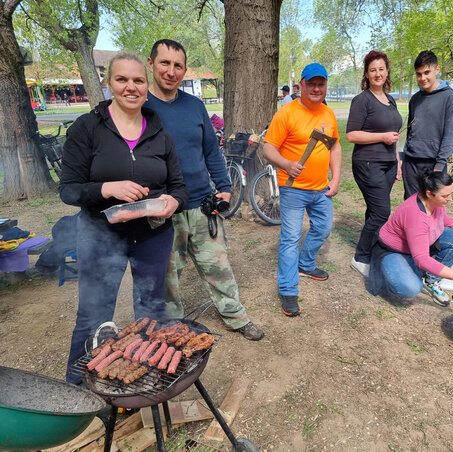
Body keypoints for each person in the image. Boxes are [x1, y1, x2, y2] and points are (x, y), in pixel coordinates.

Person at [60, 51, 189, 384]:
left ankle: (143, 380)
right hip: (101, 236)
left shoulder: (159, 132)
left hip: (153, 235)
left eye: (138, 80)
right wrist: (107, 189)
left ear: (147, 86)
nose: (131, 87)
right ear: (109, 83)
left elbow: (179, 187)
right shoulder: (87, 128)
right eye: (122, 79)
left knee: (149, 315)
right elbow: (69, 190)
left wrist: (173, 202)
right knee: (92, 317)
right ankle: (77, 391)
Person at [145, 39, 264, 340]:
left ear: (184, 70)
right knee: (168, 277)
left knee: (218, 266)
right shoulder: (141, 108)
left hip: (202, 204)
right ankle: (171, 327)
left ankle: (235, 316)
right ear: (151, 64)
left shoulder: (195, 106)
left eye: (178, 66)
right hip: (162, 210)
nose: (171, 71)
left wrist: (224, 186)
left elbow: (211, 150)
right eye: (165, 63)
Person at [263, 63, 342, 317]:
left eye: (321, 83)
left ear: (326, 86)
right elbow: (268, 148)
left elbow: (335, 147)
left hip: (321, 189)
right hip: (293, 189)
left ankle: (306, 264)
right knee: (290, 238)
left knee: (323, 228)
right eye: (311, 83)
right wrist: (286, 164)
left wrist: (336, 178)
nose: (317, 88)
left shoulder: (328, 114)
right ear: (301, 85)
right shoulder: (287, 113)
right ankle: (288, 289)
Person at [368, 171, 453, 305]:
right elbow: (422, 259)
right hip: (394, 251)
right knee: (411, 288)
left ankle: (431, 281)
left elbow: (442, 218)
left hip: (417, 245)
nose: (450, 198)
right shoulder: (415, 216)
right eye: (445, 195)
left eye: (451, 193)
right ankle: (390, 271)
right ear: (429, 193)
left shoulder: (435, 202)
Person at [346, 50, 403, 277]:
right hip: (368, 164)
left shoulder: (390, 100)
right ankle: (360, 258)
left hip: (389, 164)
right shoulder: (362, 100)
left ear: (387, 71)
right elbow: (351, 135)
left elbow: (395, 135)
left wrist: (397, 162)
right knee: (381, 212)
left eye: (381, 69)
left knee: (374, 211)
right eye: (373, 70)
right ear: (367, 74)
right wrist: (382, 137)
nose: (377, 74)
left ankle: (372, 250)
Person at [402, 50, 453, 199]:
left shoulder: (449, 97)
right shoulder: (415, 99)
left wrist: (439, 166)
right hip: (411, 162)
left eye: (427, 72)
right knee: (412, 206)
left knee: (433, 206)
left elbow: (451, 134)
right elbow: (411, 130)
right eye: (419, 74)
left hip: (434, 163)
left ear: (437, 70)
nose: (423, 78)